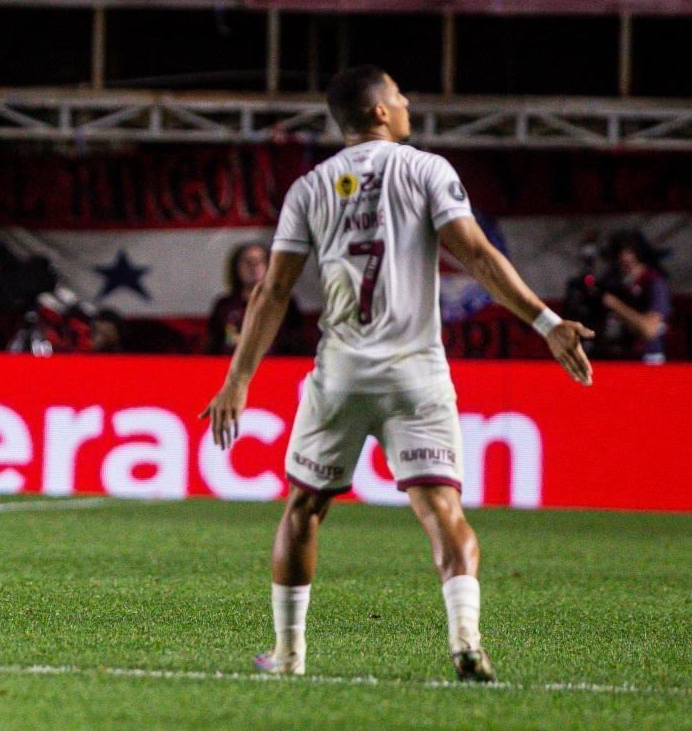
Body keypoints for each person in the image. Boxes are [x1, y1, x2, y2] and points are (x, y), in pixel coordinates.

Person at [200, 65, 594, 682]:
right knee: (442, 509)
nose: (408, 102)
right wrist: (546, 322)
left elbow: (271, 291)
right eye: (399, 95)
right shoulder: (428, 170)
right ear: (380, 111)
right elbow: (477, 254)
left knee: (304, 507)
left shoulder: (309, 187)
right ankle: (465, 639)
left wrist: (238, 378)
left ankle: (288, 655)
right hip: (418, 373)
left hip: (342, 374)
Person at [574, 231, 670, 363]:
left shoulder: (653, 282)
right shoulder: (611, 281)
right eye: (619, 254)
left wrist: (615, 305)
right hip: (614, 359)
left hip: (646, 359)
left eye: (629, 253)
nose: (624, 259)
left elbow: (650, 330)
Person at [206, 242, 305, 356]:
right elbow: (214, 346)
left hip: (276, 369)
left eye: (260, 261)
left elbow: (297, 346)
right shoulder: (224, 305)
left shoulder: (285, 304)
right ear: (236, 267)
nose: (254, 266)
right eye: (248, 261)